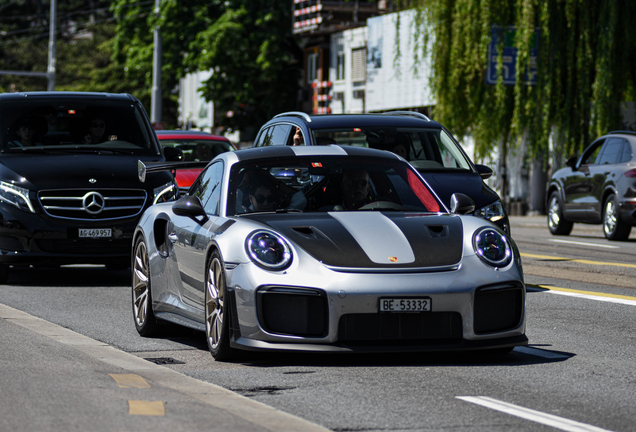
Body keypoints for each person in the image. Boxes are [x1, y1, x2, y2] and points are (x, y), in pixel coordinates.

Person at [237, 168, 307, 213]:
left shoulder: (279, 215)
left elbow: (300, 201)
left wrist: (274, 180)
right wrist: (243, 185)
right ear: (251, 199)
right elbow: (234, 202)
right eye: (260, 199)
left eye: (270, 199)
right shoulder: (244, 214)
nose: (266, 204)